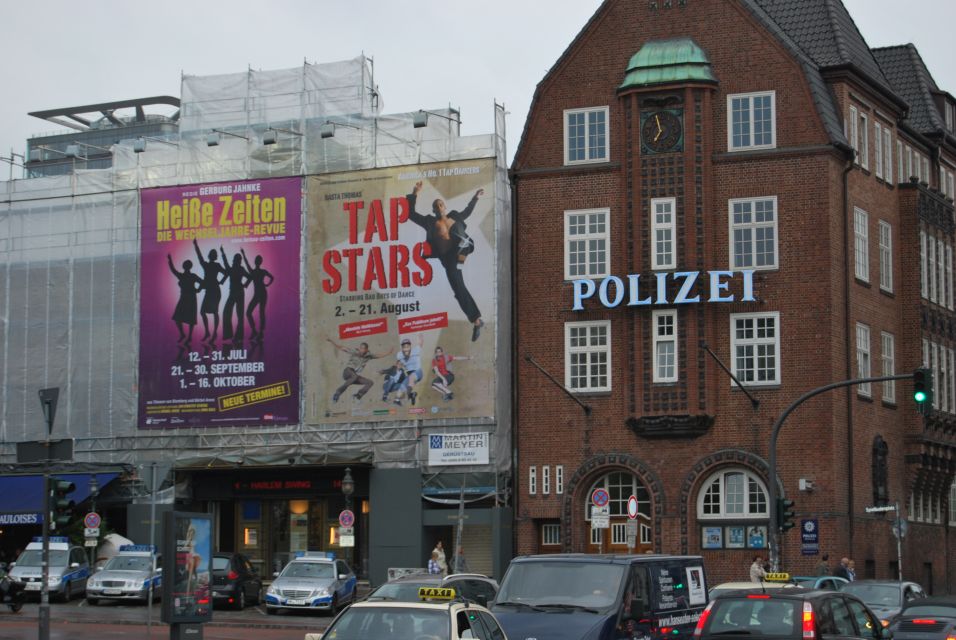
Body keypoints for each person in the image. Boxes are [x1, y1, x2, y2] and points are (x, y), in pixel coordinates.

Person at [406, 181, 486, 341]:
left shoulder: (455, 216)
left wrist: (475, 198)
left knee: (464, 242)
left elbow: (467, 212)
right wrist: (415, 193)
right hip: (448, 259)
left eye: (441, 204)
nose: (439, 206)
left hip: (461, 249)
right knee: (458, 289)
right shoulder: (429, 221)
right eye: (436, 205)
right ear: (434, 210)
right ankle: (477, 321)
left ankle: (463, 254)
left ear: (444, 207)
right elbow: (411, 214)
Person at [327, 338, 394, 402]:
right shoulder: (354, 352)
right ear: (359, 348)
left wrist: (388, 353)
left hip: (353, 376)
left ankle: (358, 395)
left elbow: (378, 355)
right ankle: (337, 393)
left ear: (367, 350)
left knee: (370, 382)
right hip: (347, 372)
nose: (362, 350)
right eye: (361, 348)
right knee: (354, 376)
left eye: (363, 349)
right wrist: (331, 341)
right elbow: (341, 348)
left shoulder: (368, 356)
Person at [193, 240, 226, 343]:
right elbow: (199, 256)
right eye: (212, 254)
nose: (212, 256)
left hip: (215, 291)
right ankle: (208, 332)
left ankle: (214, 333)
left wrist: (221, 281)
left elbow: (226, 273)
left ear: (214, 256)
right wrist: (196, 245)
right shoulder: (208, 265)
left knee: (214, 312)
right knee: (203, 312)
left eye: (213, 254)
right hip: (211, 290)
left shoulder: (215, 265)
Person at [167, 255, 203, 344]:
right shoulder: (182, 276)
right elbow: (173, 270)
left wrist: (198, 289)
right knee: (178, 317)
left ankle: (189, 336)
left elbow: (202, 282)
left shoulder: (190, 276)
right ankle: (183, 334)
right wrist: (170, 260)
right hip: (184, 297)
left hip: (190, 298)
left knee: (190, 318)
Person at [241, 248, 274, 341]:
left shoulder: (257, 271)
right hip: (259, 294)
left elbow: (272, 277)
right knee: (250, 312)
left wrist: (243, 254)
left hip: (262, 293)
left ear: (257, 262)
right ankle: (255, 331)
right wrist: (267, 284)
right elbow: (272, 277)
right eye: (256, 260)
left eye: (257, 260)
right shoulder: (256, 272)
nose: (256, 261)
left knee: (261, 312)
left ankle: (260, 333)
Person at [383, 334, 424, 406]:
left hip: (418, 372)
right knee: (400, 391)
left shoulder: (415, 350)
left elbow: (420, 344)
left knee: (411, 378)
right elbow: (397, 365)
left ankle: (408, 396)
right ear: (402, 348)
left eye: (408, 347)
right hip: (409, 374)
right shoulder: (399, 355)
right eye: (404, 347)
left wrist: (420, 337)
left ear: (410, 347)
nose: (406, 349)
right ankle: (410, 396)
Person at [219, 247, 249, 342]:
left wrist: (223, 253)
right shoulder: (238, 269)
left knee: (234, 314)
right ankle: (233, 336)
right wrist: (246, 284)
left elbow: (225, 263)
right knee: (233, 313)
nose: (235, 261)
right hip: (237, 292)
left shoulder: (236, 269)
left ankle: (234, 336)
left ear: (236, 260)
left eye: (236, 259)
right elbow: (250, 277)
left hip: (237, 293)